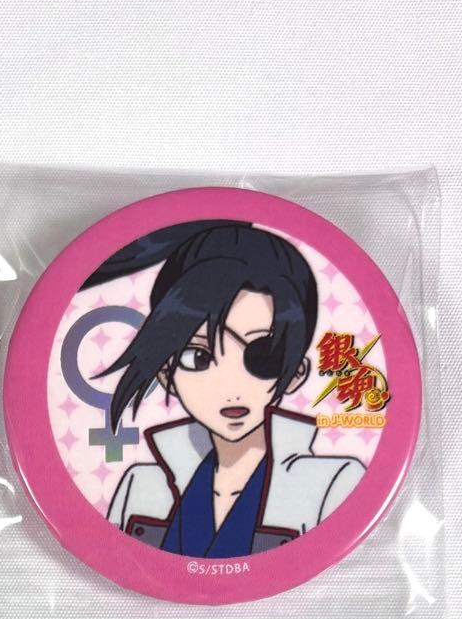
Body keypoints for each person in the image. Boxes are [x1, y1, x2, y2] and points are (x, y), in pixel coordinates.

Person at [93, 221, 364, 558]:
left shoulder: (333, 483)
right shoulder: (141, 485)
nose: (231, 388)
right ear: (166, 373)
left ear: (296, 372)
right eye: (199, 357)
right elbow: (119, 562)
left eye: (261, 356)